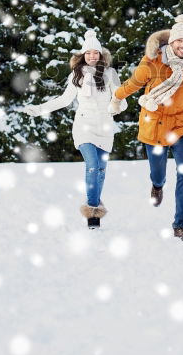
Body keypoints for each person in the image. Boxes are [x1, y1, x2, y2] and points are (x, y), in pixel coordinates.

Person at [109, 14, 183, 242]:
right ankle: (157, 185)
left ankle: (180, 225)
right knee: (157, 173)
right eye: (179, 41)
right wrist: (117, 98)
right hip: (155, 125)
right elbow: (133, 84)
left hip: (181, 127)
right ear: (171, 42)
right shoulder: (152, 62)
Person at [24, 30, 125, 229]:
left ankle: (94, 204)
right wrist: (39, 109)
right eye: (88, 53)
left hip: (105, 127)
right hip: (84, 126)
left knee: (102, 171)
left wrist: (118, 106)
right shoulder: (76, 75)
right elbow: (64, 100)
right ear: (82, 55)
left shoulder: (110, 74)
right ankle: (93, 211)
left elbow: (121, 99)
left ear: (101, 55)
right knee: (93, 165)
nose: (92, 57)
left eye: (96, 53)